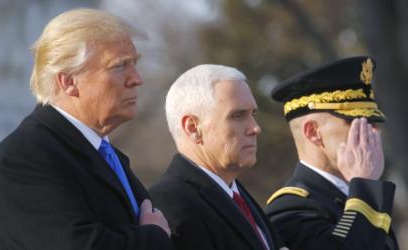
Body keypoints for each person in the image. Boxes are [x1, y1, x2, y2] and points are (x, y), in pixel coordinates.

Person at [0, 8, 174, 250]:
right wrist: (154, 237)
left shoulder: (105, 155)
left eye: (134, 63)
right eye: (119, 66)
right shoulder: (25, 157)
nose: (137, 78)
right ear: (69, 81)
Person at [265, 56, 399, 250]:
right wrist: (365, 188)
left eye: (373, 122)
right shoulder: (290, 209)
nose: (372, 132)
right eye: (357, 122)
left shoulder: (353, 195)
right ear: (313, 132)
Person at [149, 64, 287, 250]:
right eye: (238, 116)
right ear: (192, 128)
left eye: (253, 114)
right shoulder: (172, 202)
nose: (255, 128)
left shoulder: (234, 192)